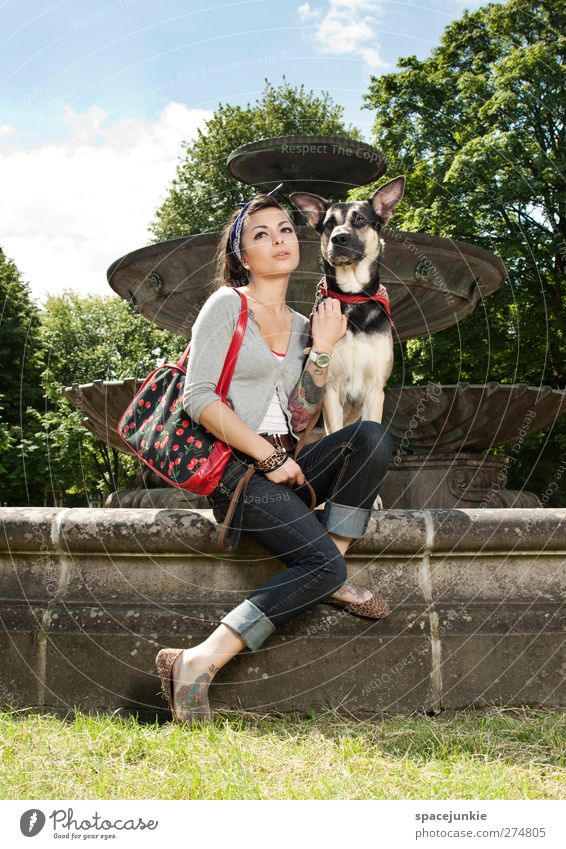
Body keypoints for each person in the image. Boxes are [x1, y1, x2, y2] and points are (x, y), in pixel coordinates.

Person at [155, 187, 394, 726]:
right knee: (320, 566)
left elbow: (302, 415)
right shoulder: (227, 305)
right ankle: (196, 662)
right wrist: (264, 457)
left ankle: (329, 560)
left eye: (285, 230)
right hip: (239, 473)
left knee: (374, 439)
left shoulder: (308, 323)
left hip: (286, 463)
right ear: (243, 253)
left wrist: (326, 348)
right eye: (260, 234)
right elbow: (197, 398)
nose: (278, 240)